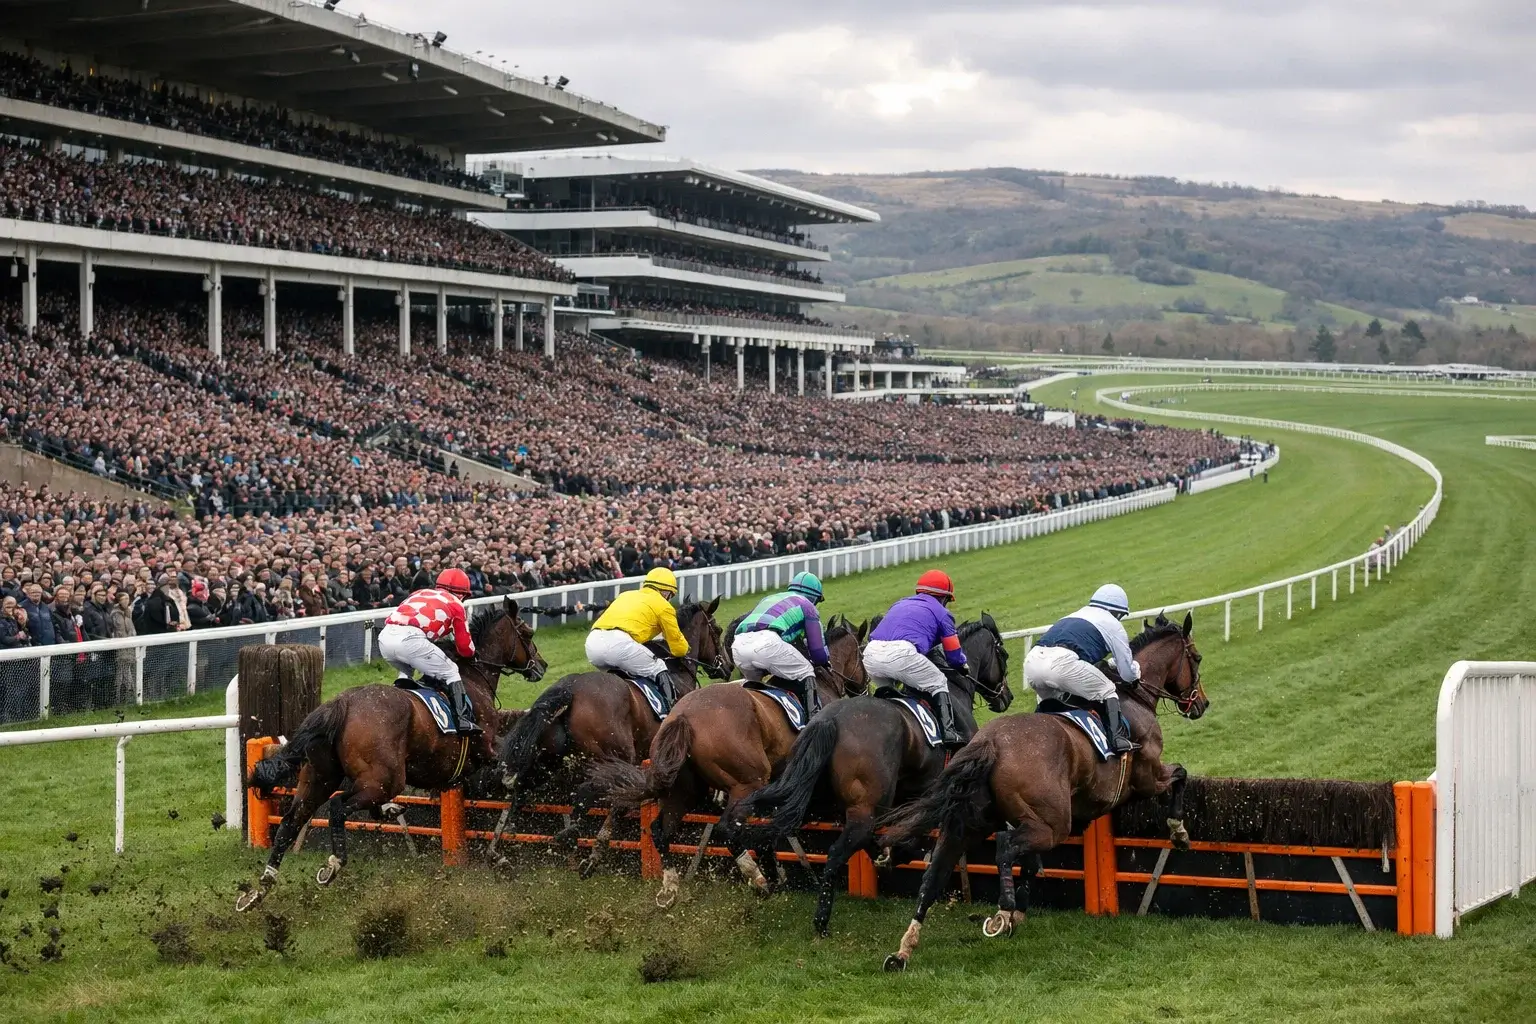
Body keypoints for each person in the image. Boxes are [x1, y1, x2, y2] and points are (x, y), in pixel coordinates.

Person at [1026, 583, 1142, 755]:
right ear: (1118, 612)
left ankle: (1032, 736)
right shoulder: (1113, 624)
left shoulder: (1075, 615)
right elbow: (1126, 673)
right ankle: (1118, 739)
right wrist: (1135, 674)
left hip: (1032, 662)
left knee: (1049, 706)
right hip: (1062, 664)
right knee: (1107, 690)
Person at [864, 570, 968, 748]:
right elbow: (953, 654)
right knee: (938, 681)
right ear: (944, 598)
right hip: (901, 654)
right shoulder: (942, 613)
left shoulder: (900, 603)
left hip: (870, 654)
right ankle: (949, 732)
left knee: (890, 695)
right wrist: (962, 665)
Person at [378, 567, 480, 736]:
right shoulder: (456, 604)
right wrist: (471, 654)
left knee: (407, 669)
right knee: (451, 671)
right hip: (411, 640)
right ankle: (464, 720)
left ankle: (401, 688)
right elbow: (465, 647)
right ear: (462, 594)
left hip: (385, 638)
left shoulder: (420, 593)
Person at [586, 567, 689, 709]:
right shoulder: (664, 606)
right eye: (670, 595)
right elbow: (678, 648)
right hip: (619, 644)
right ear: (666, 592)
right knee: (658, 667)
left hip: (592, 643)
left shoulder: (626, 595)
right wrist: (685, 649)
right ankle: (671, 711)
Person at [732, 571, 829, 715]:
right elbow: (818, 653)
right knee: (806, 670)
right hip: (767, 643)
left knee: (755, 691)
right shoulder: (808, 606)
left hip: (738, 645)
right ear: (814, 597)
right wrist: (826, 660)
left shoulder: (769, 598)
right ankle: (815, 718)